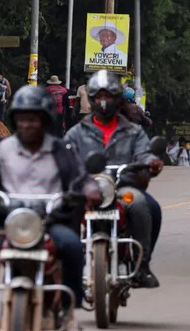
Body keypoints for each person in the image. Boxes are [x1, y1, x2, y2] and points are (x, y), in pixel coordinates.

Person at [0, 85, 95, 331]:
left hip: (51, 221)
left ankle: (69, 317)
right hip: (6, 222)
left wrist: (89, 190)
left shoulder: (62, 150)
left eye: (33, 118)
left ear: (46, 120)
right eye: (22, 118)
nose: (27, 124)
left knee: (70, 246)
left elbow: (81, 178)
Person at [64, 70, 163, 288]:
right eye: (98, 97)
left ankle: (142, 265)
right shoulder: (77, 132)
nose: (103, 101)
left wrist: (151, 162)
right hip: (86, 188)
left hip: (123, 188)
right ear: (90, 99)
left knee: (149, 207)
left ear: (118, 99)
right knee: (64, 207)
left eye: (108, 96)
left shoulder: (134, 131)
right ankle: (67, 264)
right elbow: (64, 155)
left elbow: (144, 153)